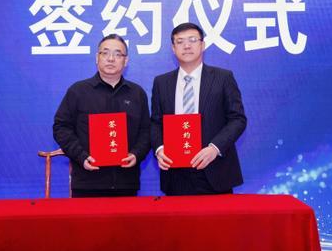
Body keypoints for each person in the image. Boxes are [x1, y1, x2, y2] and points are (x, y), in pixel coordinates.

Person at [151, 22, 247, 195]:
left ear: (202, 45)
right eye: (180, 41)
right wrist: (159, 149)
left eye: (192, 40)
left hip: (215, 169)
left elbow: (237, 119)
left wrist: (214, 148)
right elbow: (156, 122)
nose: (187, 46)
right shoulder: (161, 82)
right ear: (173, 48)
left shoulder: (223, 77)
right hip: (176, 174)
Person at [54, 34, 151, 198]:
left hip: (126, 183)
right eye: (105, 53)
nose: (111, 59)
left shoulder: (137, 93)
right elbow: (61, 128)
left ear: (126, 61)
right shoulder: (78, 91)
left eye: (118, 54)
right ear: (96, 58)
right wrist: (81, 156)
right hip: (87, 182)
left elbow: (146, 131)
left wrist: (136, 154)